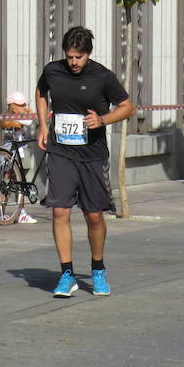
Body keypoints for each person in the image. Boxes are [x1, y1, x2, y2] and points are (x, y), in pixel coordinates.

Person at [35, 26, 135, 298]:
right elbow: (41, 93)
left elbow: (128, 107)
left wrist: (102, 120)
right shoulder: (53, 71)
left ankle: (98, 269)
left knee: (93, 215)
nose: (73, 63)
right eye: (69, 57)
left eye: (78, 57)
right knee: (59, 211)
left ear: (88, 55)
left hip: (92, 154)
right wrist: (43, 126)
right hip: (61, 152)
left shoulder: (103, 77)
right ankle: (66, 273)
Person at [0, 91, 38, 223]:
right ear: (12, 106)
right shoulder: (11, 117)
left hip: (16, 151)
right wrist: (28, 113)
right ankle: (8, 211)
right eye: (20, 105)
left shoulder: (17, 115)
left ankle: (17, 211)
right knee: (8, 182)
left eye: (24, 104)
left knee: (15, 181)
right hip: (10, 151)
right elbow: (27, 122)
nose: (24, 107)